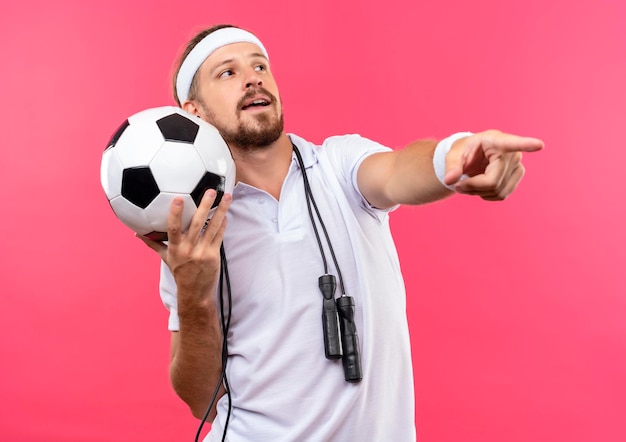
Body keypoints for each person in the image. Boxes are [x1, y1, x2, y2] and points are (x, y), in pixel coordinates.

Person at [139, 24, 543, 441]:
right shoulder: (194, 233)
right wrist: (192, 295)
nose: (253, 77)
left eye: (260, 65)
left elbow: (400, 170)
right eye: (227, 72)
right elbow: (201, 397)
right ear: (195, 113)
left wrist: (454, 157)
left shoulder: (337, 164)